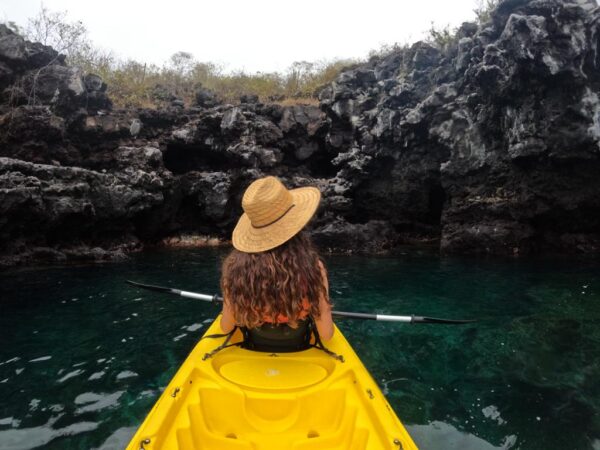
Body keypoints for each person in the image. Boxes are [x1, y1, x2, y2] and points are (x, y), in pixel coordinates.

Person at [219, 176, 334, 350]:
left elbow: (226, 327)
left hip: (254, 350)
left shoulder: (233, 269)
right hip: (298, 349)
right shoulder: (314, 268)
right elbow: (326, 334)